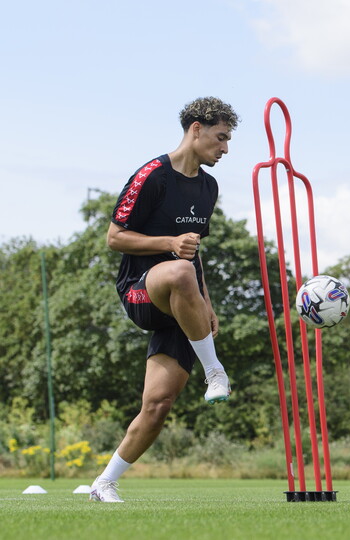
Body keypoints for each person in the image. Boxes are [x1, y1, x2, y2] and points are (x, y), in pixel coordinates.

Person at [89, 97, 239, 503]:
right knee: (177, 269)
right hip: (140, 288)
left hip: (182, 295)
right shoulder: (152, 175)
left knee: (157, 406)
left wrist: (206, 303)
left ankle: (103, 483)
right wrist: (169, 243)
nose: (225, 148)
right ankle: (215, 371)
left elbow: (195, 252)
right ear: (195, 128)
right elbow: (114, 237)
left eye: (228, 141)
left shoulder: (208, 186)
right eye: (221, 138)